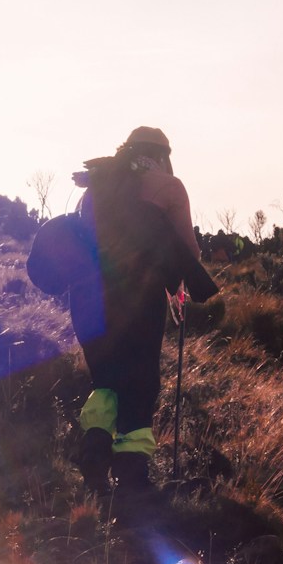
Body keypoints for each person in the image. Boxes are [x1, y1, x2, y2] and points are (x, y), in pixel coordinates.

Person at [70, 127, 201, 502]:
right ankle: (131, 476)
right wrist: (182, 288)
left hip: (89, 297)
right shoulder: (168, 186)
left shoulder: (99, 182)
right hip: (139, 300)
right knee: (140, 382)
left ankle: (94, 458)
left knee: (106, 379)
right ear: (162, 154)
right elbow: (188, 249)